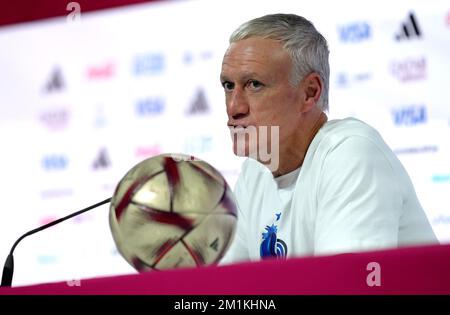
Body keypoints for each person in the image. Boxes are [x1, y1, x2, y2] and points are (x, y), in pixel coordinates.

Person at [219, 13, 438, 264]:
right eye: (228, 86)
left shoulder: (350, 153)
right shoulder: (254, 173)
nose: (234, 107)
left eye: (254, 84)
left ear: (310, 92)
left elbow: (342, 287)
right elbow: (225, 288)